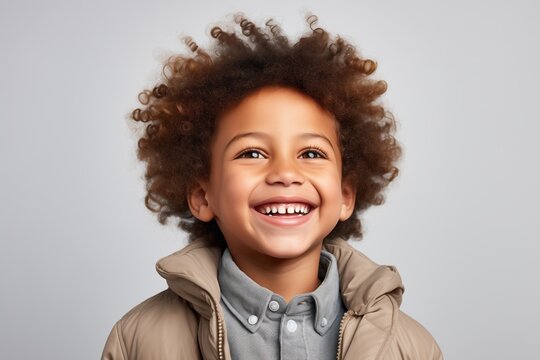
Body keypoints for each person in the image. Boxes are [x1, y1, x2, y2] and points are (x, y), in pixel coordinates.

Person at [101, 12, 443, 360]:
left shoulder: (409, 348)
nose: (285, 172)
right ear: (204, 196)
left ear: (344, 195)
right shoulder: (139, 341)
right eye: (251, 152)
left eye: (311, 152)